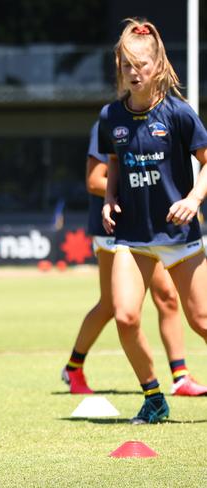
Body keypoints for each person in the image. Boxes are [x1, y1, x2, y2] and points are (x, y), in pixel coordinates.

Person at [100, 18, 207, 424]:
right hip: (134, 237)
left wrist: (194, 197)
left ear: (157, 65)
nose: (134, 72)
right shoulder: (112, 116)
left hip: (179, 236)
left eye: (141, 64)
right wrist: (110, 199)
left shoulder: (179, 113)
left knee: (201, 321)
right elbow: (114, 161)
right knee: (125, 316)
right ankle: (154, 397)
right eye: (127, 65)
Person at [62, 122, 207, 396]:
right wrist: (139, 187)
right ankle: (73, 368)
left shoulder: (164, 117)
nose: (133, 76)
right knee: (111, 306)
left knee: (167, 295)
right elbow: (94, 180)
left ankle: (180, 375)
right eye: (125, 74)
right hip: (115, 226)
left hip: (152, 227)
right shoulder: (110, 121)